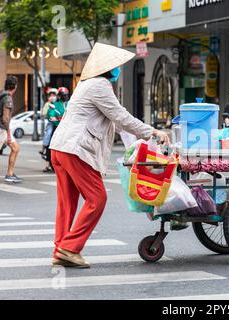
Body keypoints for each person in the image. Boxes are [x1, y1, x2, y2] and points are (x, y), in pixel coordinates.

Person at [49, 43, 169, 268]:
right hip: (75, 149)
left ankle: (61, 249)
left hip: (61, 147)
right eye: (117, 66)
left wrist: (140, 141)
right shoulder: (99, 85)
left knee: (67, 204)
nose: (119, 70)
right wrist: (152, 131)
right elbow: (121, 117)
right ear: (109, 68)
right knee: (97, 198)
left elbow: (118, 123)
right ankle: (70, 248)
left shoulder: (86, 85)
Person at [43, 88, 68, 172]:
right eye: (63, 95)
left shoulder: (70, 104)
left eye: (66, 94)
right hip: (57, 128)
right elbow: (51, 116)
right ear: (59, 96)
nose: (65, 96)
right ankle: (49, 163)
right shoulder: (54, 105)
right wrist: (59, 119)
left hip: (67, 129)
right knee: (50, 144)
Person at [39, 88, 58, 168]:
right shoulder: (48, 104)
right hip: (51, 123)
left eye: (54, 95)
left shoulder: (58, 104)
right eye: (51, 95)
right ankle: (43, 147)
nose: (52, 97)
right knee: (48, 134)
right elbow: (44, 113)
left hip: (58, 124)